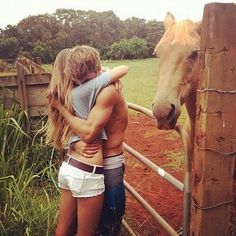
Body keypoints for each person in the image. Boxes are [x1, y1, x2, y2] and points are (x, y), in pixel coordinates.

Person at [46, 45, 129, 236]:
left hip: (106, 163)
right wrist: (73, 141)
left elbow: (84, 130)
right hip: (92, 166)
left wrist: (109, 74)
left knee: (109, 221)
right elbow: (77, 130)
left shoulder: (105, 89)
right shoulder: (84, 91)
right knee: (104, 225)